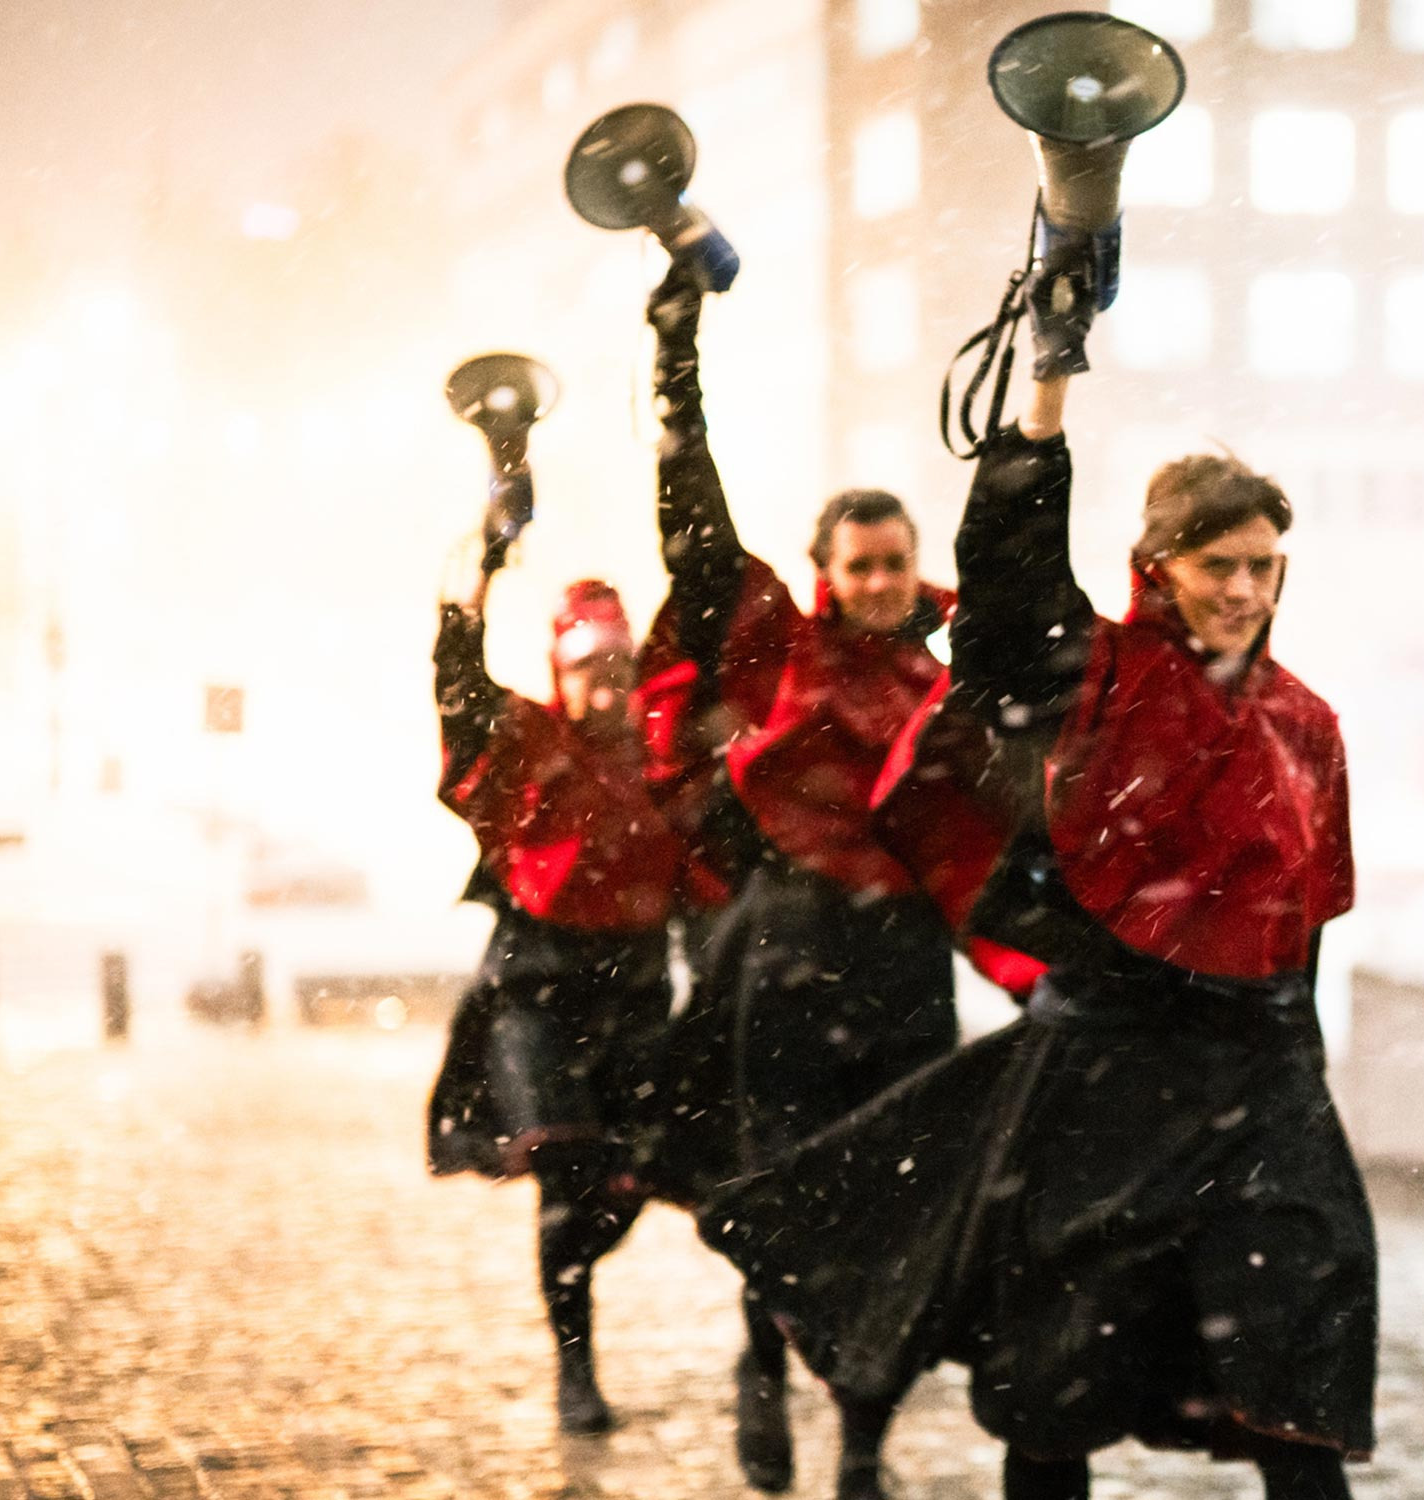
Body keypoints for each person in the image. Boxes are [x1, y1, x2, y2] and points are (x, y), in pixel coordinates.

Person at [697, 227, 1375, 1500]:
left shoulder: (1307, 725)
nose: (1242, 589)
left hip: (1260, 1087)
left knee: (1294, 1379)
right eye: (1217, 565)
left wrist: (1301, 1089)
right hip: (1100, 1075)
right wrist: (1049, 376)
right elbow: (1008, 582)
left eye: (1261, 566)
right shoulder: (1095, 676)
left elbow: (1306, 925)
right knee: (1055, 1386)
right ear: (1158, 569)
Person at [627, 253, 959, 1497]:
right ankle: (760, 1360)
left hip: (905, 970)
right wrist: (677, 370)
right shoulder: (780, 652)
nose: (875, 584)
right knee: (779, 1186)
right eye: (856, 565)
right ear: (828, 570)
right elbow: (698, 534)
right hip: (787, 959)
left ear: (912, 568)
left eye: (892, 564)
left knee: (895, 1209)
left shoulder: (944, 685)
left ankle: (862, 1441)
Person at [424, 446, 684, 1435]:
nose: (606, 687)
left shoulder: (663, 759)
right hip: (537, 994)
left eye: (619, 668)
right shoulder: (526, 741)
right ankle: (577, 1365)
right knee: (570, 1177)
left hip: (634, 991)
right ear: (561, 673)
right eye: (589, 670)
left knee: (633, 1175)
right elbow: (457, 683)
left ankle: (581, 1273)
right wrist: (481, 568)